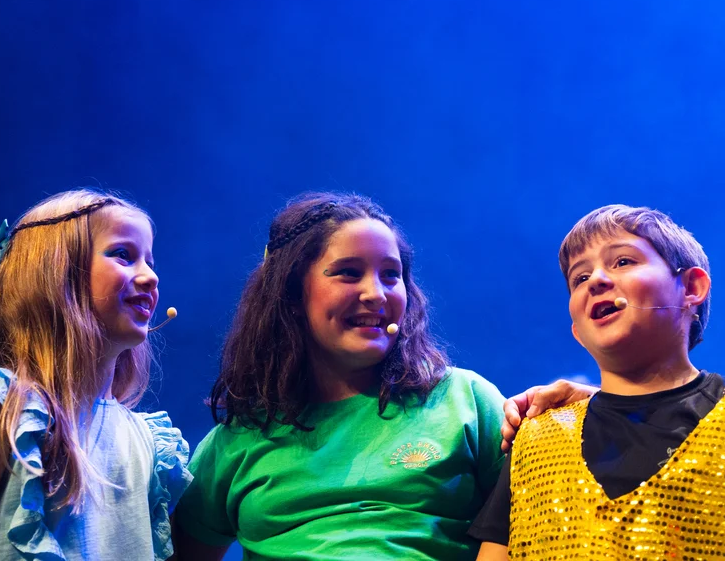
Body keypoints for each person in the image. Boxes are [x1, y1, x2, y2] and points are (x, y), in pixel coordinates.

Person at [172, 192, 506, 560]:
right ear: (291, 293)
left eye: (391, 275)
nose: (376, 294)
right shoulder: (237, 440)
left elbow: (527, 520)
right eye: (349, 272)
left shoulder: (465, 400)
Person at [470, 204, 725, 560]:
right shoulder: (537, 438)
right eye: (580, 278)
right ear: (578, 332)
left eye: (623, 261)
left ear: (691, 287)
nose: (596, 280)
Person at [0, 189, 191, 560]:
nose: (150, 277)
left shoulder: (146, 441)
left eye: (150, 261)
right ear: (56, 272)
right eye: (123, 255)